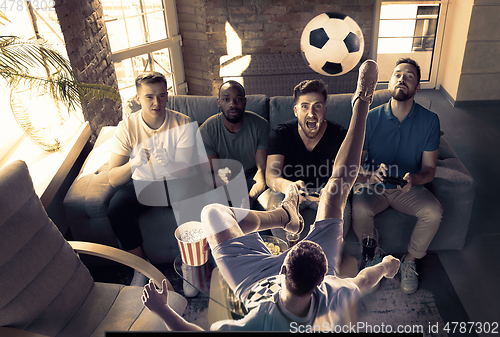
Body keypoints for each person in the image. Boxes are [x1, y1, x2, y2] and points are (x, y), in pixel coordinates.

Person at [142, 60, 401, 331]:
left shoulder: (259, 322)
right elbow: (364, 280)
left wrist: (162, 309)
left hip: (253, 278)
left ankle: (283, 216)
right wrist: (385, 266)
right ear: (323, 276)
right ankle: (363, 101)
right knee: (334, 191)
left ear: (285, 268)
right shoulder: (334, 292)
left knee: (212, 213)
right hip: (292, 259)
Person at [351, 58, 443, 295]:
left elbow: (430, 169)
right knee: (359, 209)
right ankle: (375, 258)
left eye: (409, 76)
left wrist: (415, 179)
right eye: (397, 74)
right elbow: (355, 165)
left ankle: (410, 261)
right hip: (374, 187)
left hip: (408, 188)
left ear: (417, 88)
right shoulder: (370, 117)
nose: (402, 78)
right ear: (390, 82)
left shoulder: (430, 121)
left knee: (433, 212)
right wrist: (370, 176)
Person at [107, 71, 202, 262]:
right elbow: (113, 179)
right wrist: (134, 163)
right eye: (149, 97)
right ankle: (141, 266)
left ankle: (192, 263)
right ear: (138, 98)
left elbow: (184, 170)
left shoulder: (182, 122)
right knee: (116, 207)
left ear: (167, 96)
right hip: (144, 184)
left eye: (161, 96)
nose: (156, 103)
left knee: (195, 199)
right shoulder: (126, 127)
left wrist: (168, 162)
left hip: (177, 181)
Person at [260, 79, 349, 239]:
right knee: (275, 212)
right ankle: (287, 258)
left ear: (325, 110)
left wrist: (330, 190)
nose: (311, 113)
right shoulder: (280, 133)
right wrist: (289, 188)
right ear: (295, 110)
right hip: (287, 189)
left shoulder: (340, 135)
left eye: (317, 106)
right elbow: (271, 176)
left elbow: (345, 174)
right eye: (305, 106)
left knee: (342, 215)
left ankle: (324, 260)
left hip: (324, 190)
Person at [199, 80, 270, 207]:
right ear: (219, 102)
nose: (232, 104)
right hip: (223, 180)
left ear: (245, 102)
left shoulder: (261, 126)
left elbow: (262, 170)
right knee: (213, 204)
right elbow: (208, 175)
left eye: (238, 99)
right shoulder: (206, 131)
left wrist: (250, 197)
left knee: (263, 203)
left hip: (251, 177)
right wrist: (219, 179)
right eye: (226, 99)